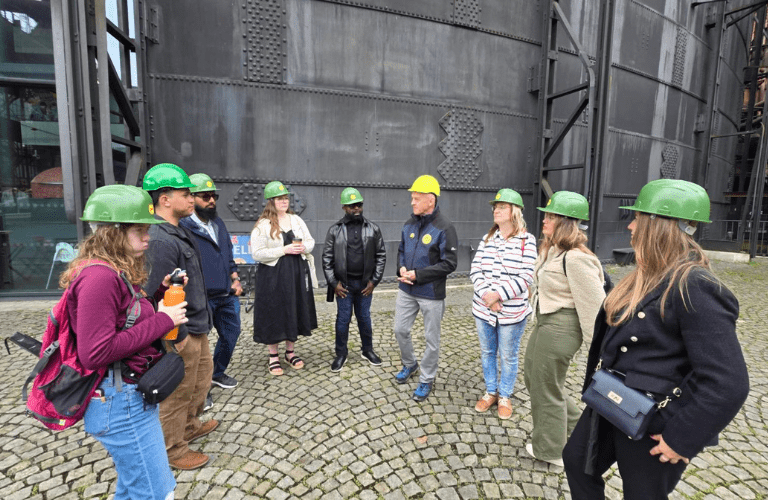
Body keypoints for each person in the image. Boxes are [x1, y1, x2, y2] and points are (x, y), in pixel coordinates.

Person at [563, 179, 749, 499]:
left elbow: (729, 383)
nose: (631, 226)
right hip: (612, 399)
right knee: (577, 462)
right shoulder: (649, 273)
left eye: (638, 219)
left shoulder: (694, 284)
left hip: (653, 417)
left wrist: (682, 437)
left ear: (659, 226)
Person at [70, 185, 189, 499]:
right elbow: (96, 352)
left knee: (133, 488)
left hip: (124, 394)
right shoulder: (100, 278)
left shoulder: (112, 271)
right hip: (118, 401)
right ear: (112, 232)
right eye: (139, 230)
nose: (148, 236)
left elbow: (126, 320)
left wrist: (161, 295)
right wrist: (164, 320)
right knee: (156, 492)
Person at [143, 163, 218, 471]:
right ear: (165, 199)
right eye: (185, 194)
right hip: (178, 331)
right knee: (177, 391)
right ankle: (172, 450)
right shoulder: (160, 239)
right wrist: (177, 335)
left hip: (197, 324)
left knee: (199, 382)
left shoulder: (178, 231)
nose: (192, 199)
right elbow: (154, 294)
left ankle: (189, 427)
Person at [523, 191, 605, 467]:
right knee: (534, 379)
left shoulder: (577, 259)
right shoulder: (552, 249)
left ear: (566, 222)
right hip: (545, 321)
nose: (544, 220)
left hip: (562, 327)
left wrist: (600, 354)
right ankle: (577, 427)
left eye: (551, 216)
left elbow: (596, 309)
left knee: (546, 386)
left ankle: (550, 450)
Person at [470, 189, 537, 419]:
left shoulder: (527, 241)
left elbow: (526, 276)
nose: (496, 210)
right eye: (495, 207)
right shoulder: (487, 239)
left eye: (502, 206)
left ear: (514, 212)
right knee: (488, 352)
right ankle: (491, 391)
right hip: (483, 310)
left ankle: (505, 395)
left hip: (512, 313)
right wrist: (488, 298)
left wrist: (498, 295)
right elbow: (475, 270)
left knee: (508, 355)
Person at [393, 174, 458, 402]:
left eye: (417, 198)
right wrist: (401, 268)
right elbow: (401, 250)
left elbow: (449, 264)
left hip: (431, 293)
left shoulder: (445, 227)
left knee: (432, 340)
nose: (412, 202)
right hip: (406, 290)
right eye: (412, 198)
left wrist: (419, 275)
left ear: (430, 200)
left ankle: (427, 378)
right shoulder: (409, 224)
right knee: (400, 330)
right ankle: (410, 364)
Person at [180, 173, 243, 404]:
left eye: (213, 196)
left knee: (231, 333)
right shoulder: (184, 227)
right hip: (201, 297)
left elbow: (227, 253)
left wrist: (235, 278)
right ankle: (200, 390)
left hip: (226, 294)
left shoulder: (217, 223)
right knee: (198, 348)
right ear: (192, 198)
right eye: (205, 196)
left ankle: (216, 374)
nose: (211, 201)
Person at [250, 180, 318, 375]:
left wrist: (304, 247)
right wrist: (284, 249)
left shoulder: (296, 220)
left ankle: (290, 352)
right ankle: (273, 356)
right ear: (270, 201)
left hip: (296, 273)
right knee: (274, 311)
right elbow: (257, 253)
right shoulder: (263, 225)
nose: (284, 202)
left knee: (294, 308)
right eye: (279, 199)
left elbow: (311, 241)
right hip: (273, 276)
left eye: (286, 198)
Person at [322, 187, 387, 372]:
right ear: (344, 207)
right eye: (352, 206)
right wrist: (334, 284)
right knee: (343, 320)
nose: (356, 208)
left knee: (364, 318)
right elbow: (327, 259)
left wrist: (374, 282)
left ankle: (367, 350)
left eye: (359, 205)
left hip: (365, 285)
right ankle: (341, 354)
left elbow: (381, 255)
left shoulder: (373, 228)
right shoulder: (335, 230)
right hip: (344, 286)